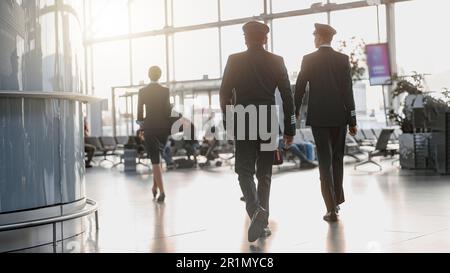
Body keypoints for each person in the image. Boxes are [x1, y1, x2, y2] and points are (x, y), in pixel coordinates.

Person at [220, 21, 296, 242]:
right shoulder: (276, 61)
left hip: (243, 118)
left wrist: (229, 123)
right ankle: (261, 219)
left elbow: (224, 94)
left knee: (243, 170)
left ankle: (256, 212)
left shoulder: (234, 60)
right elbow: (287, 96)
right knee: (264, 173)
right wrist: (289, 129)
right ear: (265, 39)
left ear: (245, 39)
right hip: (267, 120)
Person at [294, 23, 358, 222]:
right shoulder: (342, 59)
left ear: (320, 38)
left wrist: (295, 112)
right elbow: (348, 90)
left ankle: (331, 208)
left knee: (324, 161)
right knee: (337, 160)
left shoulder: (309, 59)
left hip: (319, 118)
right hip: (340, 118)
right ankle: (336, 201)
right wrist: (352, 119)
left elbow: (300, 88)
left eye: (315, 36)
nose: (314, 39)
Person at [137, 66, 172, 203]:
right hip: (163, 129)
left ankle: (162, 192)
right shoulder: (165, 91)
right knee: (158, 159)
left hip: (150, 127)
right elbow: (168, 111)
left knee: (155, 160)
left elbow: (140, 111)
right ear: (160, 75)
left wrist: (141, 126)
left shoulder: (143, 91)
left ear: (148, 74)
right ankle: (154, 186)